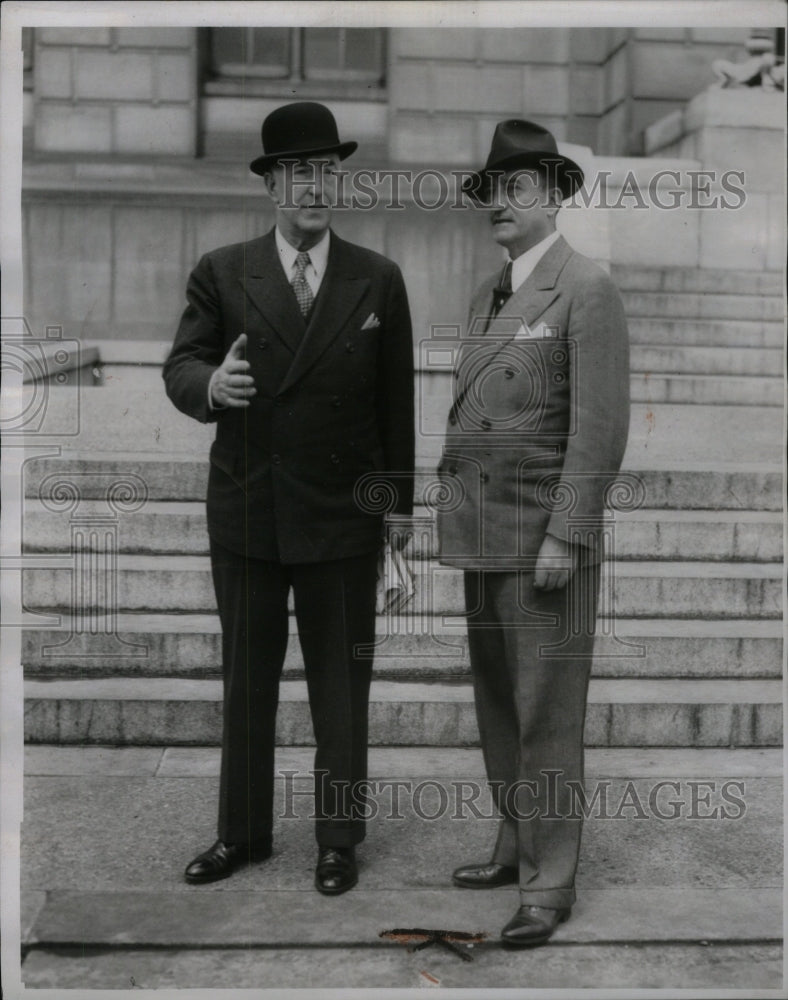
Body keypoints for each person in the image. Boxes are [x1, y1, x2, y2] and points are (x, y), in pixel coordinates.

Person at [163, 102, 414, 896]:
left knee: (342, 687)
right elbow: (180, 365)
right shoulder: (223, 270)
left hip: (342, 516)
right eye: (301, 173)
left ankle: (338, 839)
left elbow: (394, 404)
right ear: (272, 183)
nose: (316, 188)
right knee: (247, 680)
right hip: (248, 510)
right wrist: (212, 384)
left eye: (328, 173)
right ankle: (242, 834)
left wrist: (397, 512)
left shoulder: (377, 277)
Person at [436, 119, 630, 946]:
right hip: (482, 535)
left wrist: (567, 535)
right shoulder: (488, 292)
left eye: (517, 187)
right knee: (497, 705)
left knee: (547, 712)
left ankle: (550, 883)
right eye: (491, 189)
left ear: (553, 195)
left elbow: (598, 428)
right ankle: (516, 845)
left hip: (542, 543)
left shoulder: (586, 287)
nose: (500, 203)